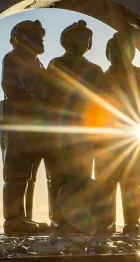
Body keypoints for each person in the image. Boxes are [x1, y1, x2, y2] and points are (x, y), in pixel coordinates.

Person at [45, 20, 106, 232]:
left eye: (87, 38)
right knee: (58, 177)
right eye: (79, 37)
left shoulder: (95, 70)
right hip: (60, 132)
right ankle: (58, 219)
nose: (84, 41)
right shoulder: (56, 64)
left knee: (82, 178)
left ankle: (79, 220)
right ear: (67, 40)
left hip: (85, 134)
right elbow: (48, 96)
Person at [97, 32, 140, 234]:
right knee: (106, 182)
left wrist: (138, 117)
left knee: (131, 182)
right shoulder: (102, 78)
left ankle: (132, 222)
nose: (116, 54)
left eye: (122, 50)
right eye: (112, 50)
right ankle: (106, 222)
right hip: (106, 139)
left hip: (130, 136)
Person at [0, 19, 49, 234]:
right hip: (17, 123)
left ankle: (26, 218)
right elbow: (11, 86)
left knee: (30, 175)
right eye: (36, 35)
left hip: (36, 124)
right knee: (16, 173)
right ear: (21, 37)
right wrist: (37, 105)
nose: (41, 39)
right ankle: (13, 220)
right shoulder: (13, 58)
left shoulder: (38, 63)